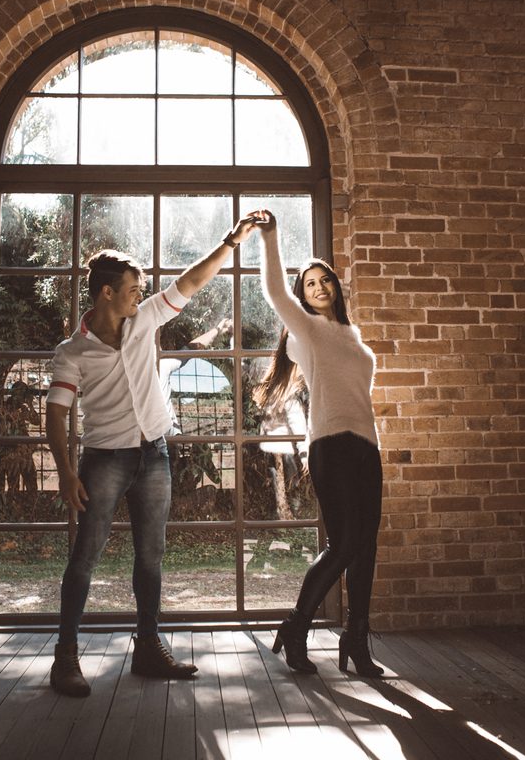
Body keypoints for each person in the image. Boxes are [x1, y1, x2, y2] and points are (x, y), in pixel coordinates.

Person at [44, 218, 258, 697]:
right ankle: (65, 657)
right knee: (86, 556)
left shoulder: (144, 320)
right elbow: (56, 413)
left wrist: (230, 242)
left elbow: (192, 282)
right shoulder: (72, 352)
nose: (139, 296)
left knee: (152, 555)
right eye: (132, 290)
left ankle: (147, 647)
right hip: (104, 459)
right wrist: (65, 473)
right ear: (106, 293)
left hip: (154, 454)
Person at [251, 209, 385, 677]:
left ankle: (357, 640)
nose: (319, 287)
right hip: (330, 445)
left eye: (324, 279)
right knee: (344, 544)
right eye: (309, 283)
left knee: (366, 547)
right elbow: (273, 291)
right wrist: (270, 236)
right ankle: (296, 626)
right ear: (304, 295)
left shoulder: (352, 335)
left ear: (336, 287)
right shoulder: (306, 329)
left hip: (367, 447)